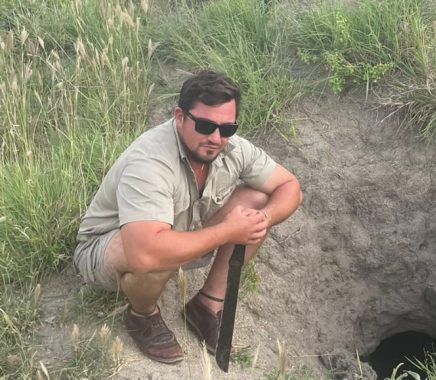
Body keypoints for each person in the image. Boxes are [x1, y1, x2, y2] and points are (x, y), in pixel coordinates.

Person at [74, 70, 302, 364]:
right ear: (179, 116)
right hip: (108, 247)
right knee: (153, 260)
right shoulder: (150, 161)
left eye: (227, 128)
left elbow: (290, 187)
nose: (216, 138)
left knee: (257, 202)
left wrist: (261, 220)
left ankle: (207, 305)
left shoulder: (232, 147)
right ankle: (143, 315)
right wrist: (229, 231)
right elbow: (144, 254)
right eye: (206, 125)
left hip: (178, 231)